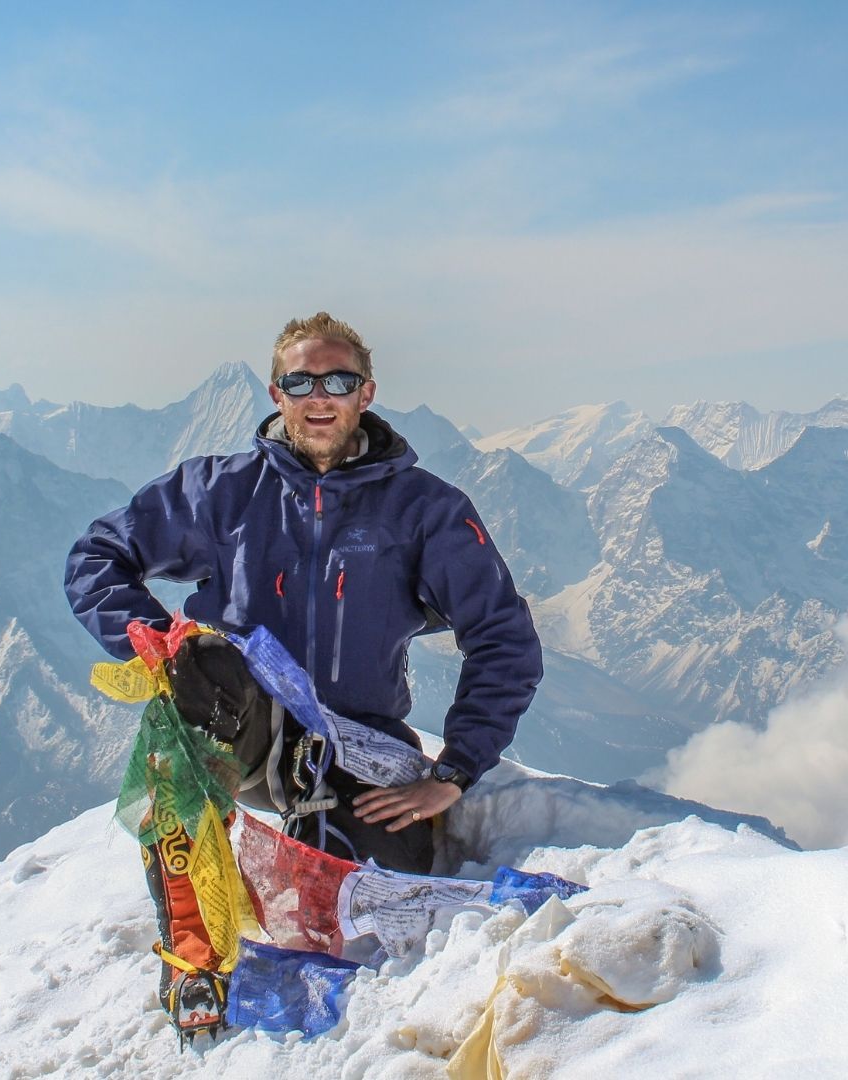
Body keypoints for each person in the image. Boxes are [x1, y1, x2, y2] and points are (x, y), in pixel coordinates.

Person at [64, 312, 542, 1033]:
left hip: (356, 740)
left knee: (367, 914)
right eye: (302, 380)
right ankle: (193, 960)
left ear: (367, 393)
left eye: (338, 380)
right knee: (204, 671)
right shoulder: (222, 492)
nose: (320, 395)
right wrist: (156, 642)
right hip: (243, 722)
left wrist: (457, 770)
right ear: (276, 392)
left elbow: (502, 635)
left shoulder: (424, 510)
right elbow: (98, 556)